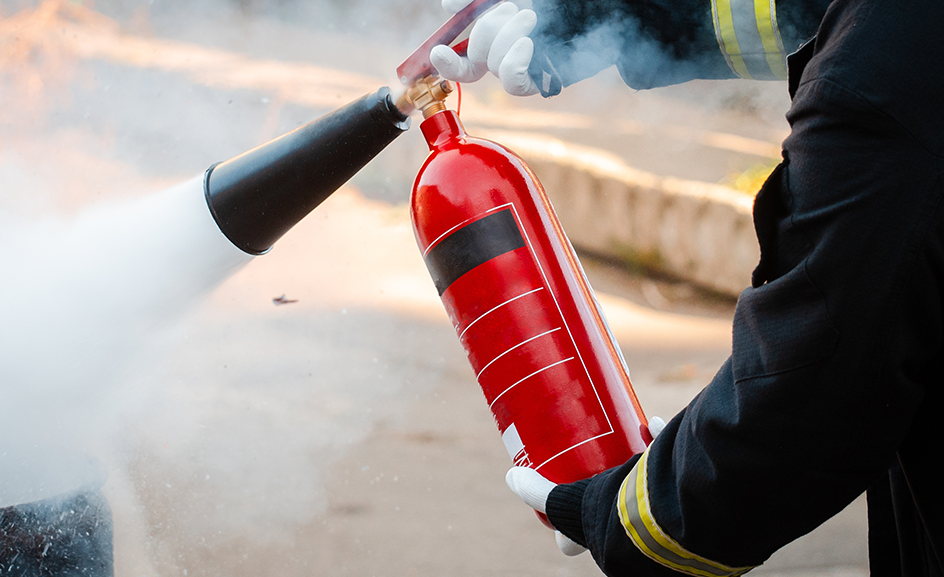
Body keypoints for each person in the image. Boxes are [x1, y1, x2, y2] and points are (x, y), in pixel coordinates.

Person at [431, 0, 944, 575]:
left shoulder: (891, 61)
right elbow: (793, 13)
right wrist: (593, 20)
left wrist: (627, 517)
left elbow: (822, 378)